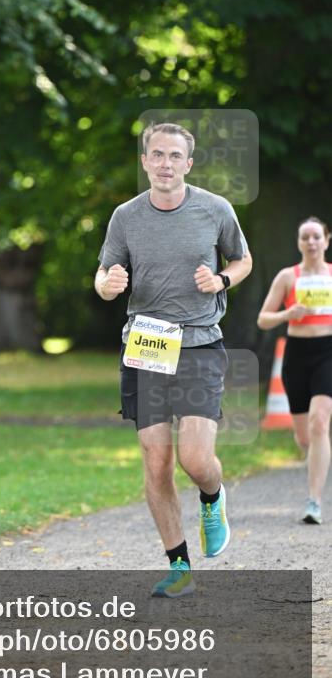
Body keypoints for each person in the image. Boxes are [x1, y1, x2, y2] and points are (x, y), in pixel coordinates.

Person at [95, 122, 252, 597]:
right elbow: (103, 273)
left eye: (175, 156)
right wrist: (107, 285)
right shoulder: (125, 216)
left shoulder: (215, 209)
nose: (166, 164)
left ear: (189, 163)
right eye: (157, 154)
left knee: (196, 458)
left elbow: (242, 260)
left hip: (200, 343)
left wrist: (221, 281)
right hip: (146, 343)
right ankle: (179, 565)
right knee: (156, 459)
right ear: (145, 161)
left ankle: (212, 496)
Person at [257, 217, 332, 524]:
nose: (311, 242)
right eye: (305, 237)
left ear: (327, 240)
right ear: (299, 242)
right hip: (297, 356)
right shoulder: (288, 277)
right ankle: (315, 457)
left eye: (316, 236)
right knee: (304, 437)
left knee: (319, 422)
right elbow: (263, 319)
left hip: (328, 352)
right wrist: (288, 313)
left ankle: (314, 501)